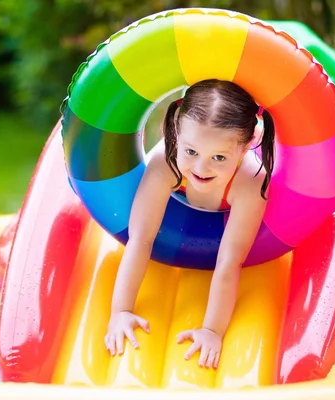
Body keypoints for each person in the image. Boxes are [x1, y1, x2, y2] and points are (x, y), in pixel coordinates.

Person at [103, 79, 276, 370]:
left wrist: (212, 331)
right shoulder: (166, 161)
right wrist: (120, 311)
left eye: (219, 158)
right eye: (191, 152)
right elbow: (141, 238)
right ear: (175, 134)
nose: (201, 168)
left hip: (229, 203)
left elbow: (229, 261)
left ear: (246, 147)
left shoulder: (251, 182)